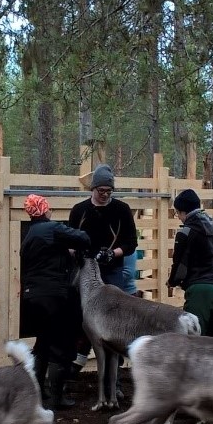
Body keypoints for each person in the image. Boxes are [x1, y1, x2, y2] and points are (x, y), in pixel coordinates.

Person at [68, 164, 138, 395]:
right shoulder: (79, 211)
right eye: (101, 191)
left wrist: (113, 253)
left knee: (113, 324)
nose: (106, 195)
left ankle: (114, 382)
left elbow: (131, 243)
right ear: (93, 188)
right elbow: (70, 240)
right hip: (85, 272)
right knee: (83, 319)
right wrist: (76, 252)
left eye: (109, 191)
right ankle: (72, 371)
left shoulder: (122, 209)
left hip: (111, 272)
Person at [20, 194, 91, 409]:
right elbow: (83, 238)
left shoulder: (29, 234)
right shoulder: (52, 228)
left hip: (32, 296)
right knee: (61, 343)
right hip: (53, 295)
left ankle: (38, 391)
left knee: (42, 343)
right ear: (44, 210)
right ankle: (58, 397)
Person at [167, 188, 213, 339]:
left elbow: (179, 265)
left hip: (201, 291)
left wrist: (172, 281)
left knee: (194, 341)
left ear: (184, 212)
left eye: (177, 213)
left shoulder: (185, 232)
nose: (179, 218)